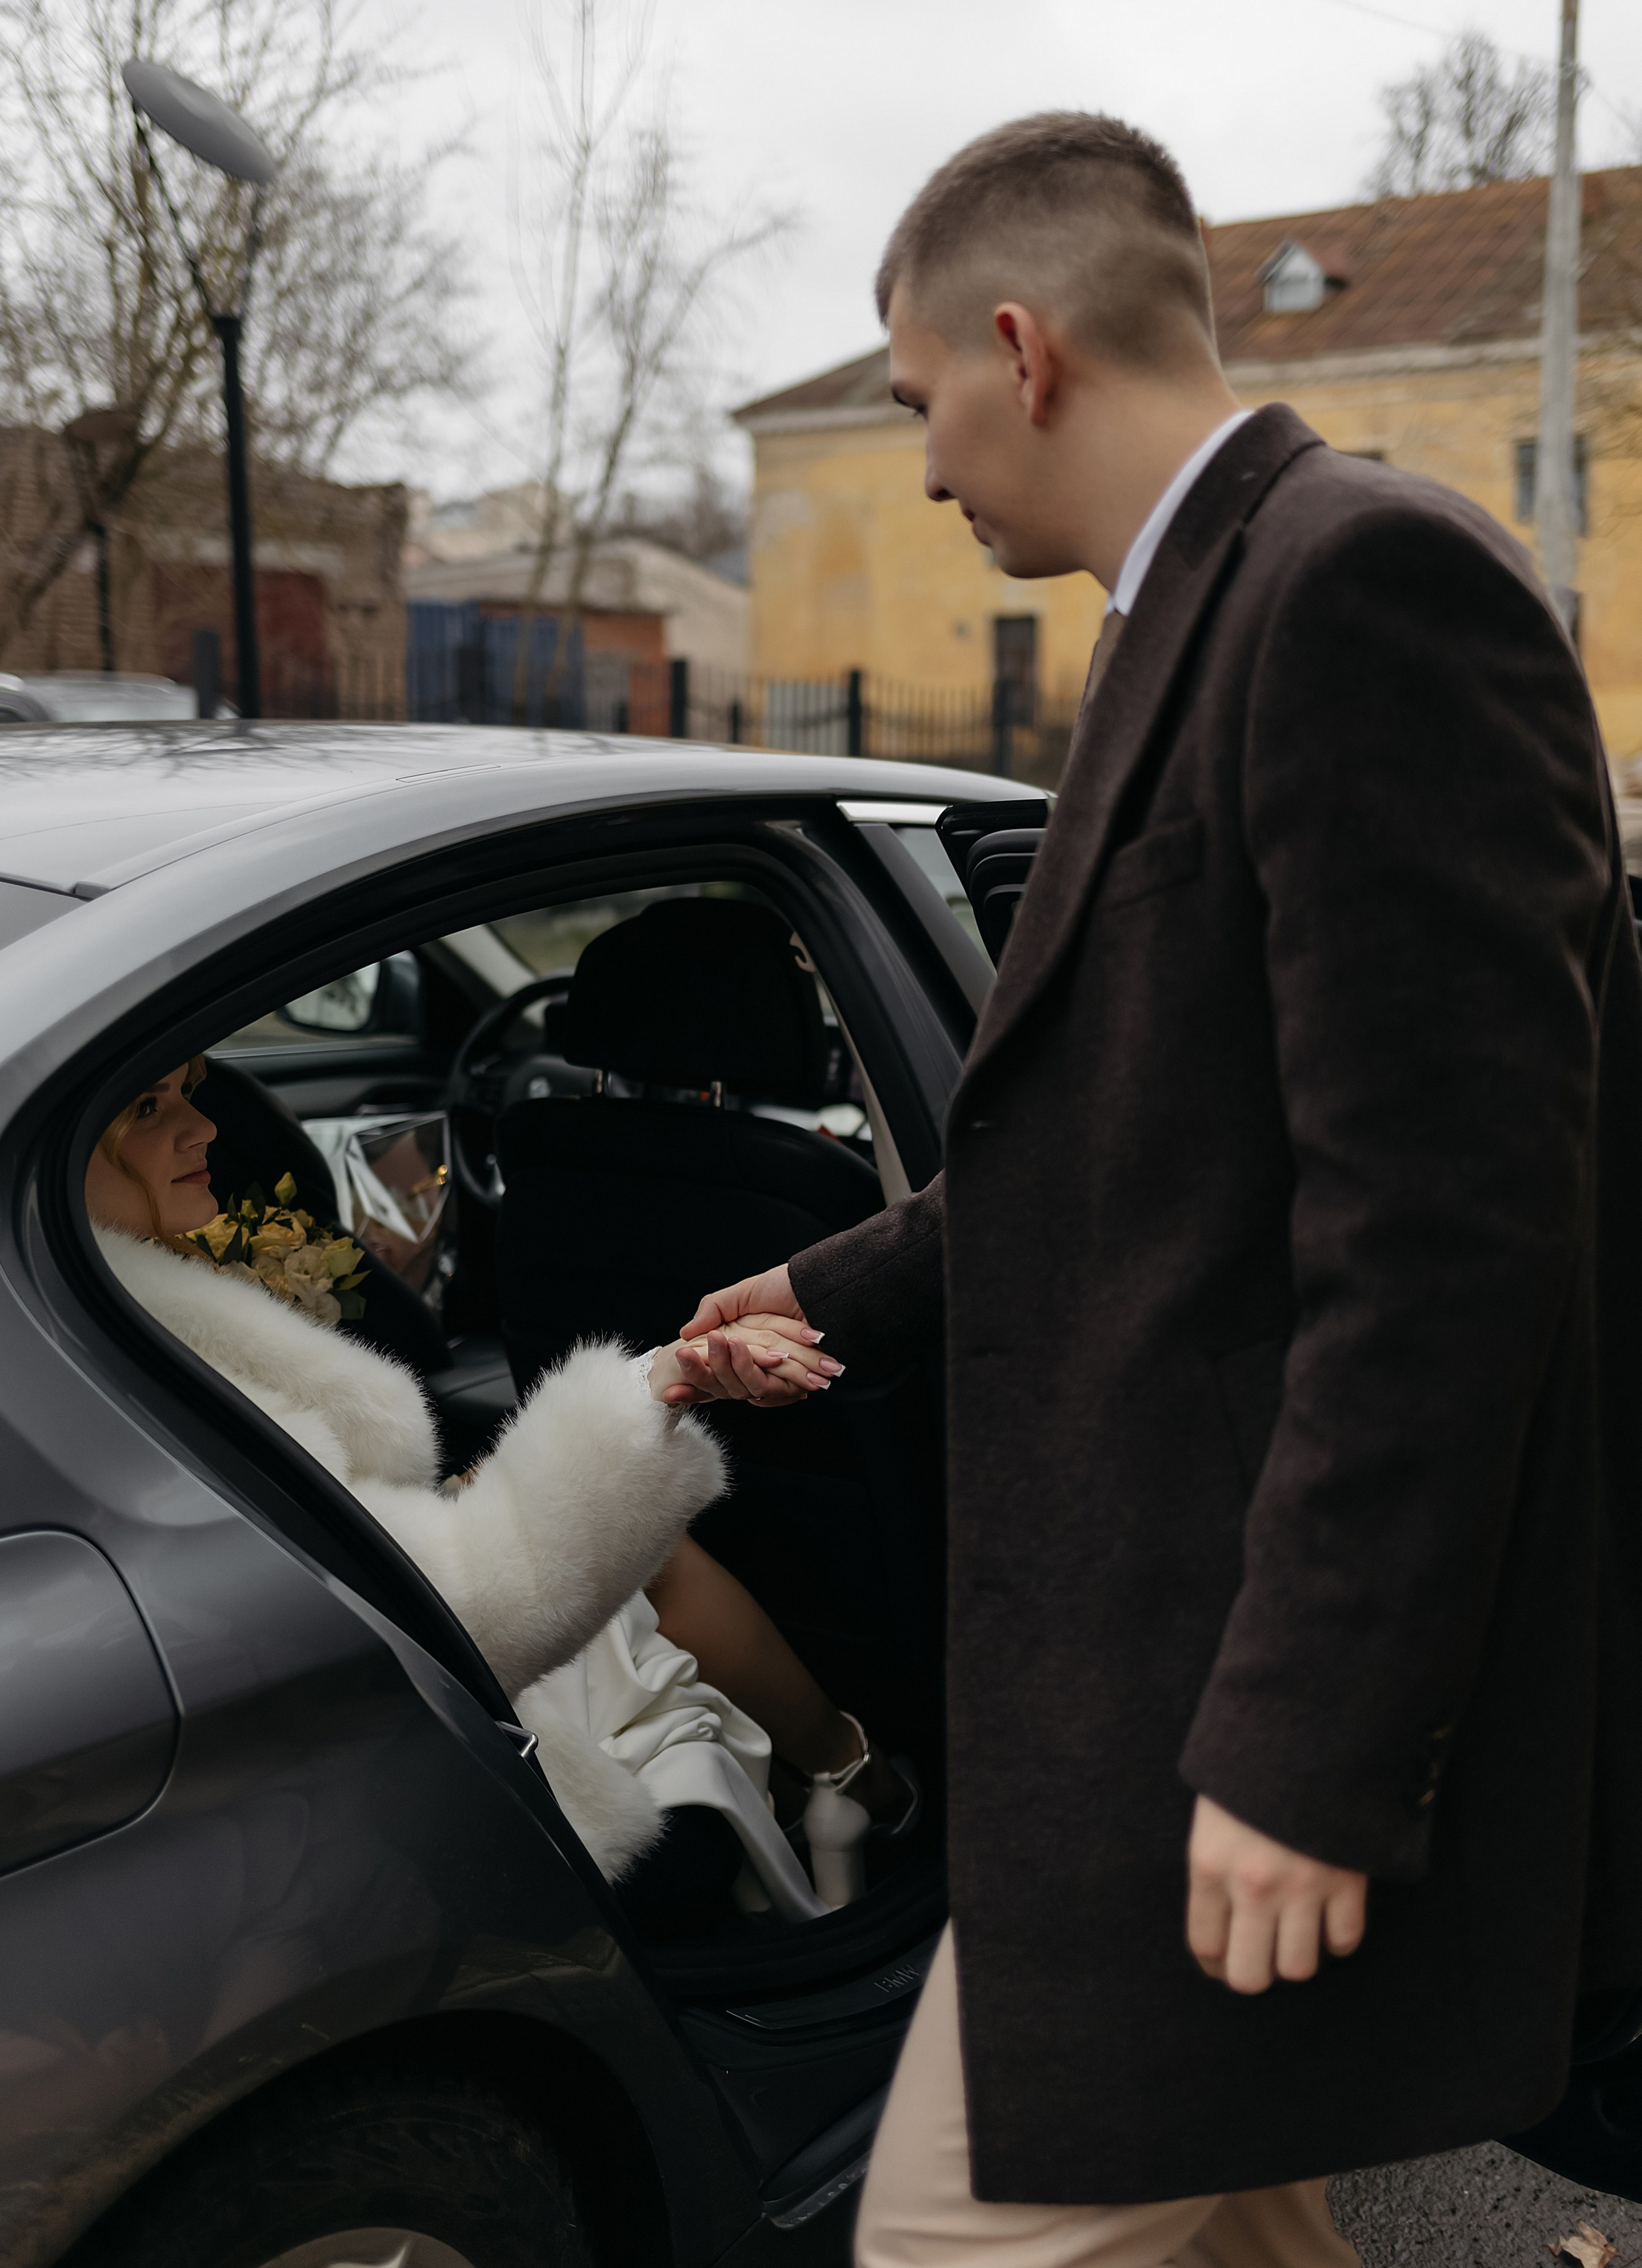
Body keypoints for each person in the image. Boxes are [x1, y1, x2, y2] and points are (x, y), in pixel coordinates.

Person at [677, 111, 1642, 2264]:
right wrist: (822, 1287)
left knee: (948, 2244)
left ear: (1021, 348)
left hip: (1223, 1693)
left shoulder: (1361, 588)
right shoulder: (1185, 620)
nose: (921, 465)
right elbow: (1130, 1139)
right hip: (1150, 1683)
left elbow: (1448, 1240)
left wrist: (1313, 1745)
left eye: (920, 399)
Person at [85, 1061, 910, 1916]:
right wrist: (658, 1381)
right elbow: (458, 1605)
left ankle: (845, 1778)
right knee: (652, 1566)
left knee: (643, 1566)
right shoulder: (139, 1338)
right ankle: (859, 1779)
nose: (204, 1128)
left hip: (321, 1685)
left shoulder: (103, 1311)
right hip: (374, 1723)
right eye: (148, 1105)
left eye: (188, 1093)